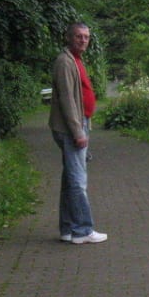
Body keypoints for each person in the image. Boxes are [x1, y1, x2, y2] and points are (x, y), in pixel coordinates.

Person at [49, 22, 107, 244]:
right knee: (77, 181)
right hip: (70, 127)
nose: (83, 40)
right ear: (68, 37)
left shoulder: (75, 60)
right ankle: (83, 230)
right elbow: (67, 99)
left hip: (78, 124)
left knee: (69, 180)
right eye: (78, 36)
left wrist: (84, 126)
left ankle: (67, 229)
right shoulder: (65, 62)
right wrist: (78, 132)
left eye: (86, 37)